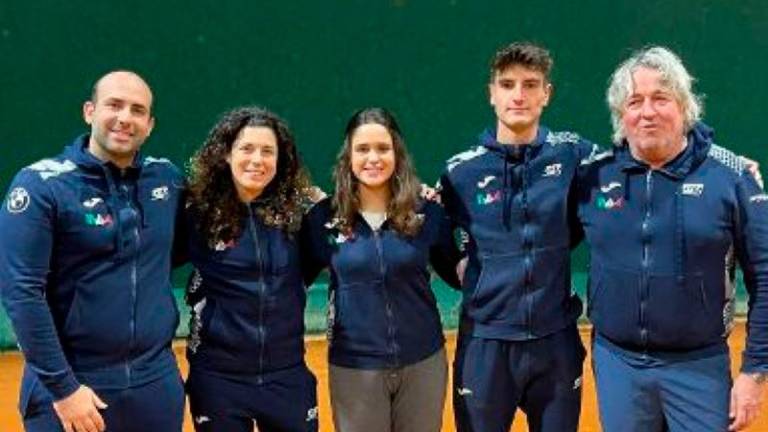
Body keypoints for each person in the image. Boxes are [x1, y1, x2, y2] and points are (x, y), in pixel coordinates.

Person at [577, 46, 768, 431]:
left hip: (699, 367)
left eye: (660, 98)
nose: (647, 112)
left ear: (685, 106)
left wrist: (755, 372)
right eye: (635, 101)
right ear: (621, 115)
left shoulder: (731, 178)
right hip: (618, 365)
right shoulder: (591, 176)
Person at [0, 71, 185, 432]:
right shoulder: (41, 185)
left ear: (149, 125)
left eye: (137, 110)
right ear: (89, 111)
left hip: (155, 386)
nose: (125, 118)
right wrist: (64, 389)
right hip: (75, 389)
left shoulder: (166, 179)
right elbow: (21, 293)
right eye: (114, 105)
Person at [437, 42, 597, 432]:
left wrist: (729, 167)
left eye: (531, 84)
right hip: (485, 344)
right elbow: (434, 233)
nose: (519, 95)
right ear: (492, 93)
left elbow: (639, 161)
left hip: (555, 340)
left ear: (547, 93)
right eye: (507, 84)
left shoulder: (576, 155)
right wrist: (462, 269)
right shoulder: (460, 172)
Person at [300, 107, 462, 432]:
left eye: (383, 148)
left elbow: (458, 274)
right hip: (355, 367)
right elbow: (289, 284)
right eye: (362, 149)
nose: (373, 158)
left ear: (397, 154)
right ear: (348, 157)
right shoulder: (322, 219)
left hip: (423, 362)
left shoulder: (426, 212)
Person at [183, 106, 318, 432]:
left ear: (280, 160)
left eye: (268, 151)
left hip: (287, 376)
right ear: (226, 154)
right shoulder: (194, 212)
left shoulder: (302, 214)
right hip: (218, 378)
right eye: (246, 148)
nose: (257, 160)